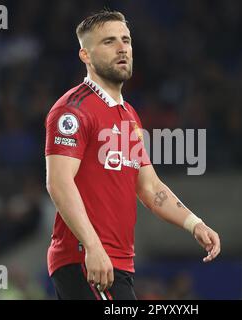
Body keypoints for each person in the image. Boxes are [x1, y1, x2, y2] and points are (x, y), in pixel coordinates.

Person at [45, 10, 221, 300]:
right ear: (85, 56)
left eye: (126, 40)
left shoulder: (129, 116)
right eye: (109, 41)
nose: (122, 47)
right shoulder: (72, 110)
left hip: (119, 261)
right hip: (85, 260)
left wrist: (194, 224)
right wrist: (92, 245)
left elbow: (149, 187)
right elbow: (59, 182)